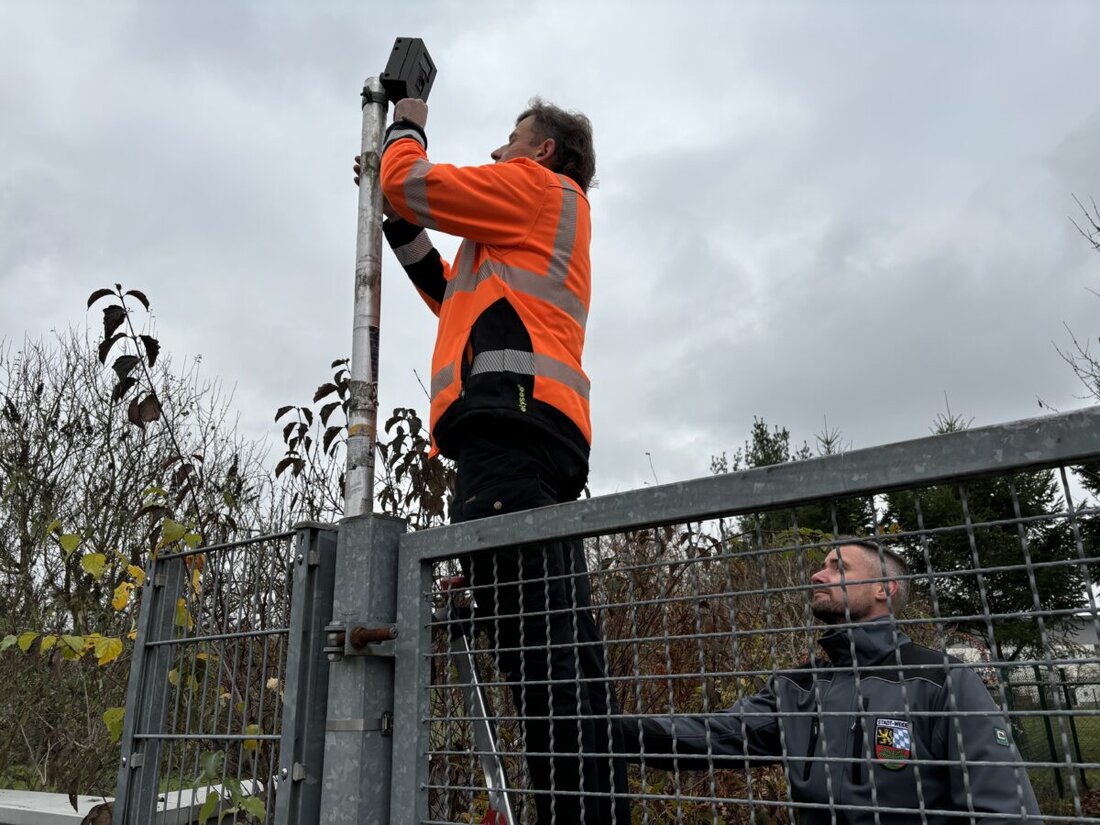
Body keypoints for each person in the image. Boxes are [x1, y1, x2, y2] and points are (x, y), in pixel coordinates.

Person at [360, 97, 629, 824]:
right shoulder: (528, 232)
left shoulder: (534, 191)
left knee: (542, 670)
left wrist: (404, 129)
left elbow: (411, 182)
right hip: (532, 440)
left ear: (540, 152)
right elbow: (454, 297)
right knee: (565, 659)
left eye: (510, 140)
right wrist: (398, 225)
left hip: (511, 440)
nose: (499, 150)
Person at [616, 540, 1042, 824]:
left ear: (883, 588)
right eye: (821, 566)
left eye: (837, 567)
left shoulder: (939, 679)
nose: (818, 576)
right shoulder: (799, 686)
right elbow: (713, 737)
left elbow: (1003, 807)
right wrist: (604, 731)